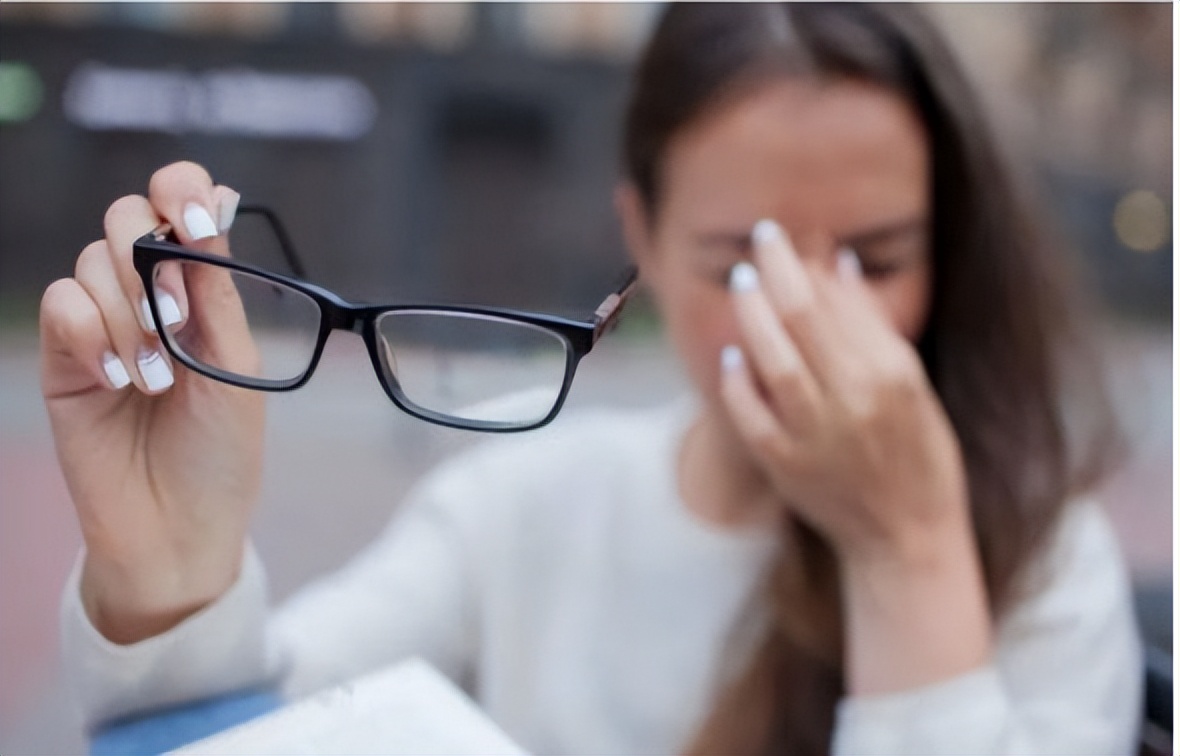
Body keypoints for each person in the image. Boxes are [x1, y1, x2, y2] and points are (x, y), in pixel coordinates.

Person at [43, 4, 1141, 755]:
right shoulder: (525, 500)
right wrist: (172, 568)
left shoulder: (1039, 559)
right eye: (741, 262)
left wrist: (909, 553)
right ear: (644, 246)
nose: (809, 316)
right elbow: (256, 725)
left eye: (878, 259)